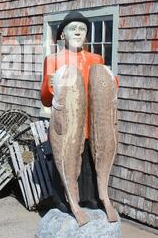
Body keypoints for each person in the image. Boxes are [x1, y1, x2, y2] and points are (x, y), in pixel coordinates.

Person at [41, 12, 118, 221]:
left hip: (91, 125)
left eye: (82, 29)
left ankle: (94, 199)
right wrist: (51, 87)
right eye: (72, 28)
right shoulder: (53, 60)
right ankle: (65, 201)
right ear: (62, 34)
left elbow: (103, 90)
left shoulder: (96, 59)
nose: (77, 31)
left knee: (89, 166)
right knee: (65, 162)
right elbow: (45, 99)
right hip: (65, 124)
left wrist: (112, 84)